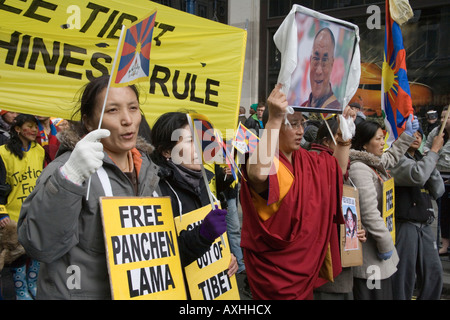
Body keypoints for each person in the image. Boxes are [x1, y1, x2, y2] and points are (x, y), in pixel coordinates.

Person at [17, 75, 160, 299]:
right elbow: (39, 245)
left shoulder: (149, 170)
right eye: (112, 110)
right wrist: (69, 179)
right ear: (89, 121)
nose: (127, 120)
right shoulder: (66, 169)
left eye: (133, 108)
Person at [240, 84, 355, 300]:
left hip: (305, 268)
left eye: (301, 123)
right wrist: (274, 119)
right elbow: (257, 175)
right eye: (293, 124)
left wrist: (345, 136)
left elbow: (336, 171)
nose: (301, 130)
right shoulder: (266, 163)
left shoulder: (308, 160)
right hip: (274, 272)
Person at [150, 111, 238, 274]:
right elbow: (161, 259)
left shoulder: (205, 182)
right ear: (167, 152)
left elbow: (215, 243)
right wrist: (202, 235)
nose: (199, 147)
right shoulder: (156, 192)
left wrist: (227, 256)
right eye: (191, 141)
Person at [348, 116, 418, 300]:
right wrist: (386, 243)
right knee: (373, 294)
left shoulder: (371, 163)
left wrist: (407, 136)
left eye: (383, 138)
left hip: (377, 249)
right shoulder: (359, 169)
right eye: (378, 139)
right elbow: (369, 213)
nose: (382, 143)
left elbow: (390, 157)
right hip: (371, 251)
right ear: (364, 144)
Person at [310, 117, 366, 300]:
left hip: (344, 250)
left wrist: (356, 229)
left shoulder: (345, 169)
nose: (346, 143)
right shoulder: (316, 163)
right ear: (327, 141)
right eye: (341, 136)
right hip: (324, 254)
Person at [388, 126, 445, 300]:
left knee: (434, 272)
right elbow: (417, 175)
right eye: (412, 134)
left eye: (420, 135)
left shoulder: (423, 159)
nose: (416, 137)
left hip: (425, 222)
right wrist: (434, 151)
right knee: (404, 274)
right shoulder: (395, 159)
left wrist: (431, 162)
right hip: (405, 223)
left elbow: (439, 190)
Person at [0, 114, 44, 299]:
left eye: (36, 126)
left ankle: (32, 285)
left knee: (36, 250)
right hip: (13, 214)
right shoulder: (2, 152)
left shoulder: (40, 151)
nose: (34, 130)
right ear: (18, 129)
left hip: (36, 212)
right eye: (30, 126)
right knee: (17, 254)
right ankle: (21, 291)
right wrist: (1, 212)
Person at [424, 107, 450, 256]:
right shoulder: (437, 133)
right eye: (442, 117)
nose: (443, 120)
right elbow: (427, 146)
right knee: (444, 212)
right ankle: (445, 244)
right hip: (440, 176)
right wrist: (432, 154)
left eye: (447, 117)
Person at [301, 28, 340, 111]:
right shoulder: (302, 108)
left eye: (325, 60)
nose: (318, 71)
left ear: (332, 64)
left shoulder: (337, 110)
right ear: (310, 60)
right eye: (315, 59)